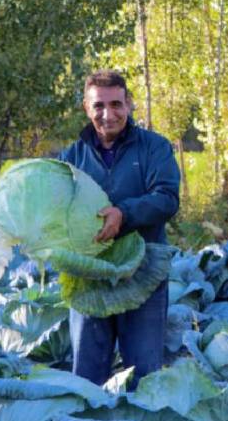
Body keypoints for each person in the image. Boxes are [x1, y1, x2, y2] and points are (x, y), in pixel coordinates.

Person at [59, 70, 181, 389]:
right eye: (99, 106)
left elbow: (167, 198)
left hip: (142, 272)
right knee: (86, 377)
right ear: (87, 108)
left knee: (144, 377)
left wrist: (123, 214)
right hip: (89, 276)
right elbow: (56, 212)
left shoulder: (154, 148)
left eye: (116, 104)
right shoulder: (71, 157)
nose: (108, 114)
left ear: (128, 104)